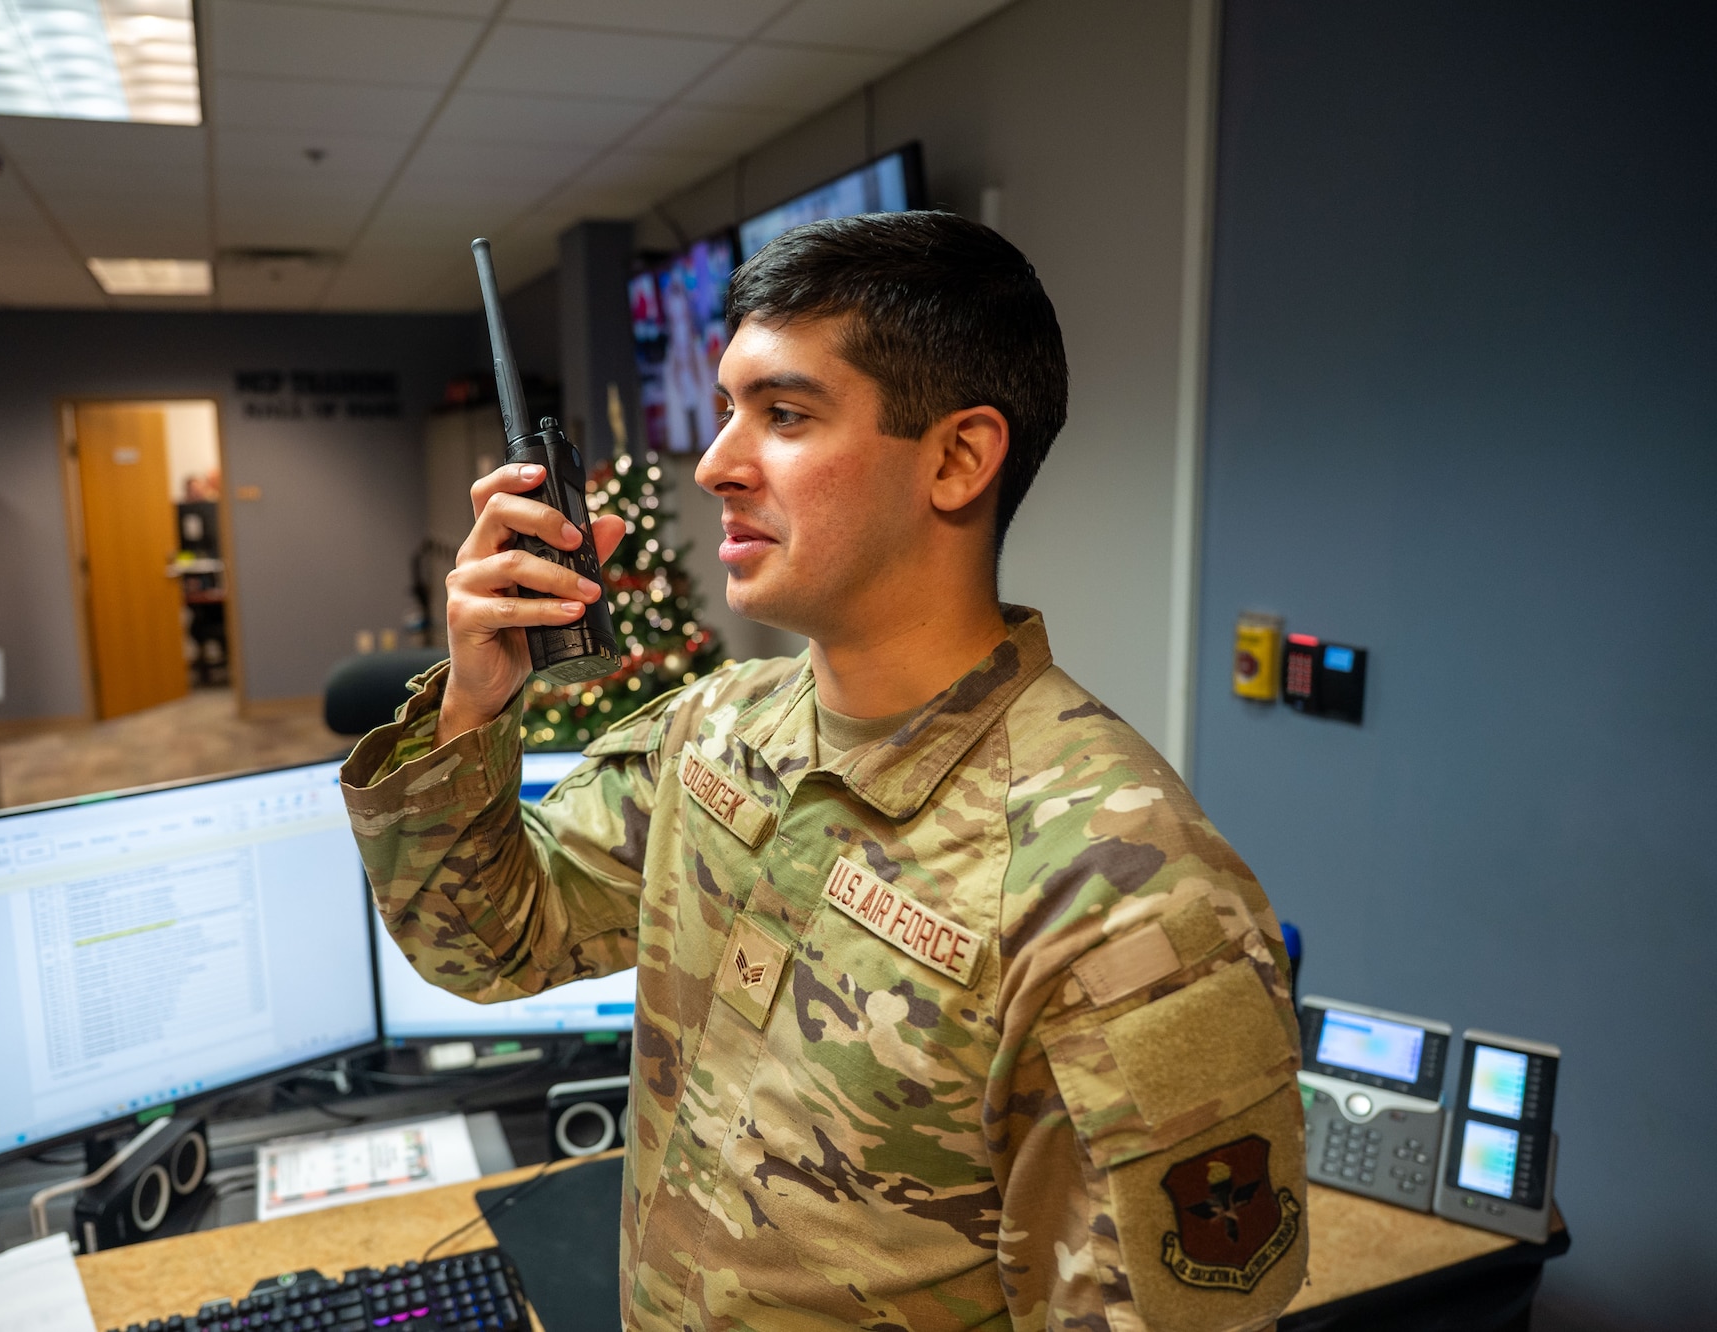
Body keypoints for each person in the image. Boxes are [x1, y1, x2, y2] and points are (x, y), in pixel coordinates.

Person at [342, 212, 1307, 1332]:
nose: (713, 464)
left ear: (956, 459)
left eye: (784, 415)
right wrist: (473, 704)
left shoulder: (1118, 889)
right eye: (724, 412)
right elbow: (491, 941)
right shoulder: (713, 728)